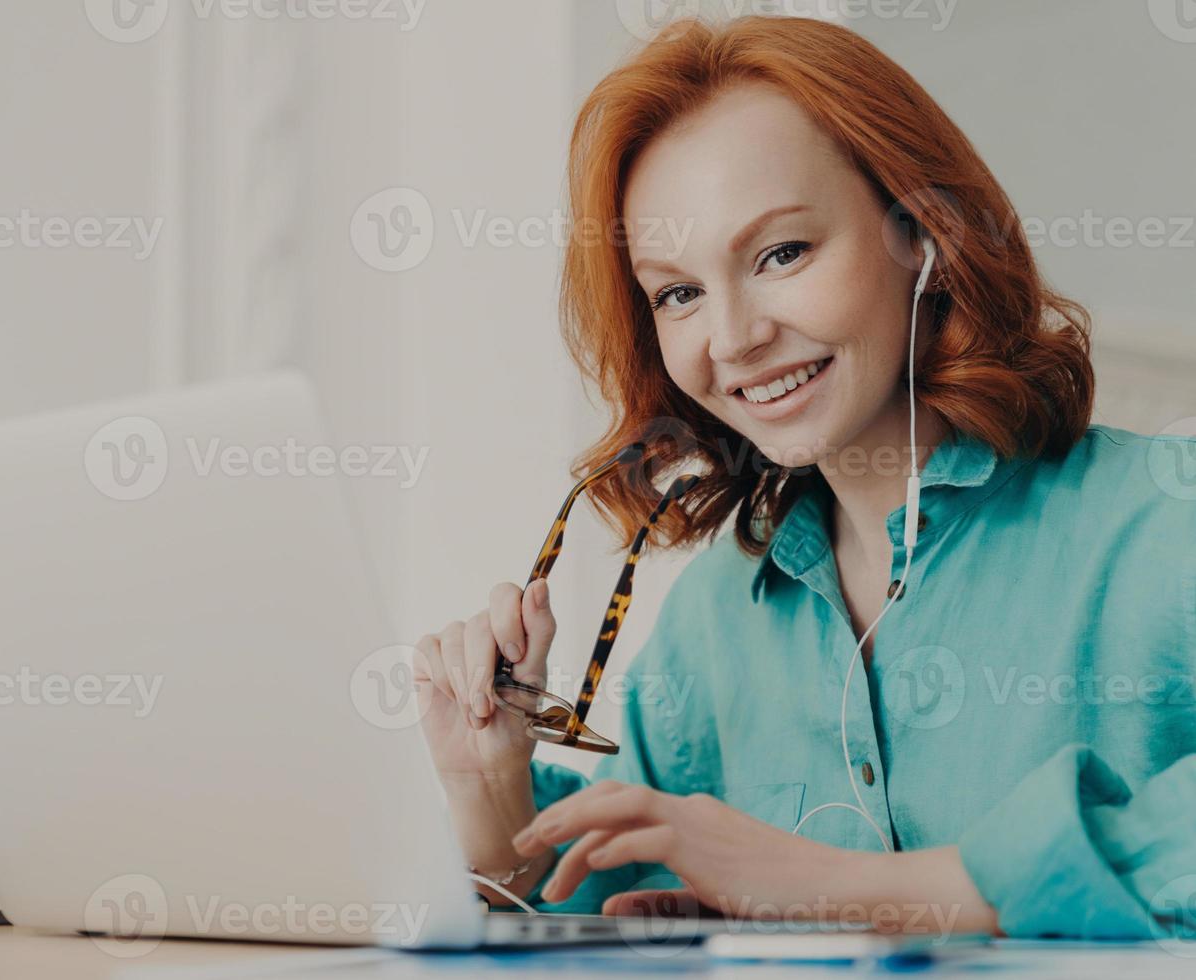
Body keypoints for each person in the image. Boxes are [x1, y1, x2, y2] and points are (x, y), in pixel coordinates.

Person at [410, 15, 1196, 941]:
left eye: (781, 253)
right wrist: (492, 786)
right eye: (679, 293)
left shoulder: (1162, 524)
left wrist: (819, 882)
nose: (734, 338)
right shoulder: (717, 620)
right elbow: (587, 906)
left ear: (922, 236)